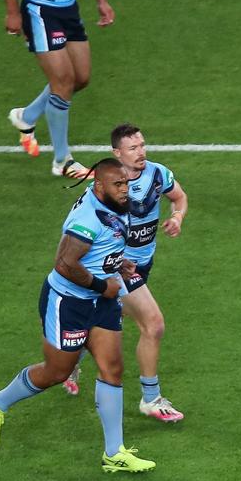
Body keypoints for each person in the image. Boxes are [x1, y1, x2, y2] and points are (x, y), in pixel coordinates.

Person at [0, 158, 155, 473]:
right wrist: (104, 286)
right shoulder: (86, 219)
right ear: (99, 185)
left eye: (126, 183)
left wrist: (119, 262)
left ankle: (114, 453)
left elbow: (106, 244)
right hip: (68, 302)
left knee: (112, 368)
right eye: (118, 184)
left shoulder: (113, 202)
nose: (125, 189)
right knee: (58, 371)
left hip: (100, 302)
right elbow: (65, 264)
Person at [62, 123, 189, 422]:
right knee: (154, 324)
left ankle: (70, 358)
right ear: (117, 153)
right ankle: (151, 398)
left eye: (142, 145)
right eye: (133, 148)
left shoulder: (158, 174)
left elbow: (179, 197)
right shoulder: (108, 187)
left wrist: (177, 217)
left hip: (141, 265)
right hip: (116, 267)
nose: (141, 152)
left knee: (111, 317)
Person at [2, 0, 114, 178]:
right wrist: (13, 13)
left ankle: (27, 117)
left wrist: (102, 1)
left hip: (69, 10)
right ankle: (62, 161)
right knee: (62, 83)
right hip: (40, 12)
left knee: (80, 78)